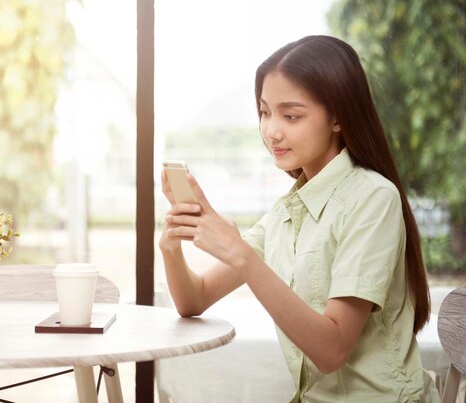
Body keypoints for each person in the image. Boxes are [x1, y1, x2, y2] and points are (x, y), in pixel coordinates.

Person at [159, 35, 441, 402]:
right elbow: (194, 300)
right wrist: (171, 248)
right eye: (264, 112)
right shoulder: (286, 214)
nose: (272, 130)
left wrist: (242, 257)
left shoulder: (374, 198)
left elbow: (331, 350)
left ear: (338, 116)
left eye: (291, 115)